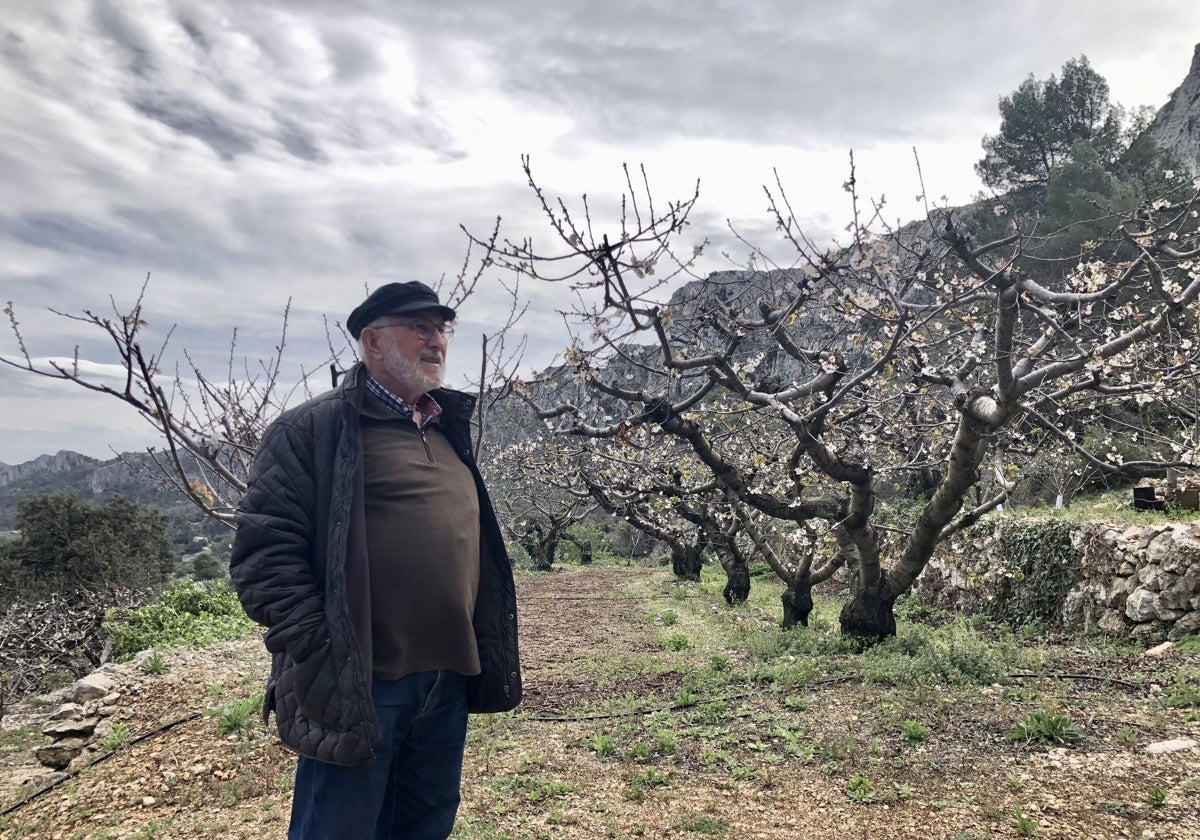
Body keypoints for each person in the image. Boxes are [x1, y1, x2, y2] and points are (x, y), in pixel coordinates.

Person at [230, 281, 521, 840]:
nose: (436, 340)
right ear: (373, 341)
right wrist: (325, 648)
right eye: (419, 327)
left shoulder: (445, 425)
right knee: (338, 828)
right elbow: (263, 559)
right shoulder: (312, 430)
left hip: (449, 677)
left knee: (423, 823)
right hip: (363, 680)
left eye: (441, 329)